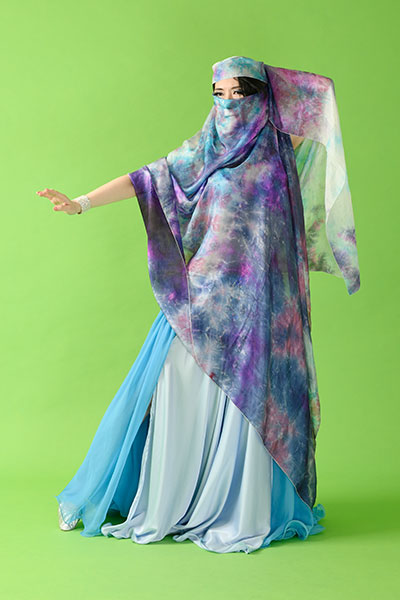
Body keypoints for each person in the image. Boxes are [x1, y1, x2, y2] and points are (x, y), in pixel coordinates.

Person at [37, 56, 360, 554]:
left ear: (262, 95)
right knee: (168, 392)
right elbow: (147, 178)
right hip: (201, 302)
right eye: (219, 93)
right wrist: (81, 202)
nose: (229, 104)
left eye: (240, 92)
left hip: (259, 309)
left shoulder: (282, 145)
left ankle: (239, 506)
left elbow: (321, 96)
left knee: (252, 406)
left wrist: (272, 79)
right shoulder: (202, 151)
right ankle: (155, 497)